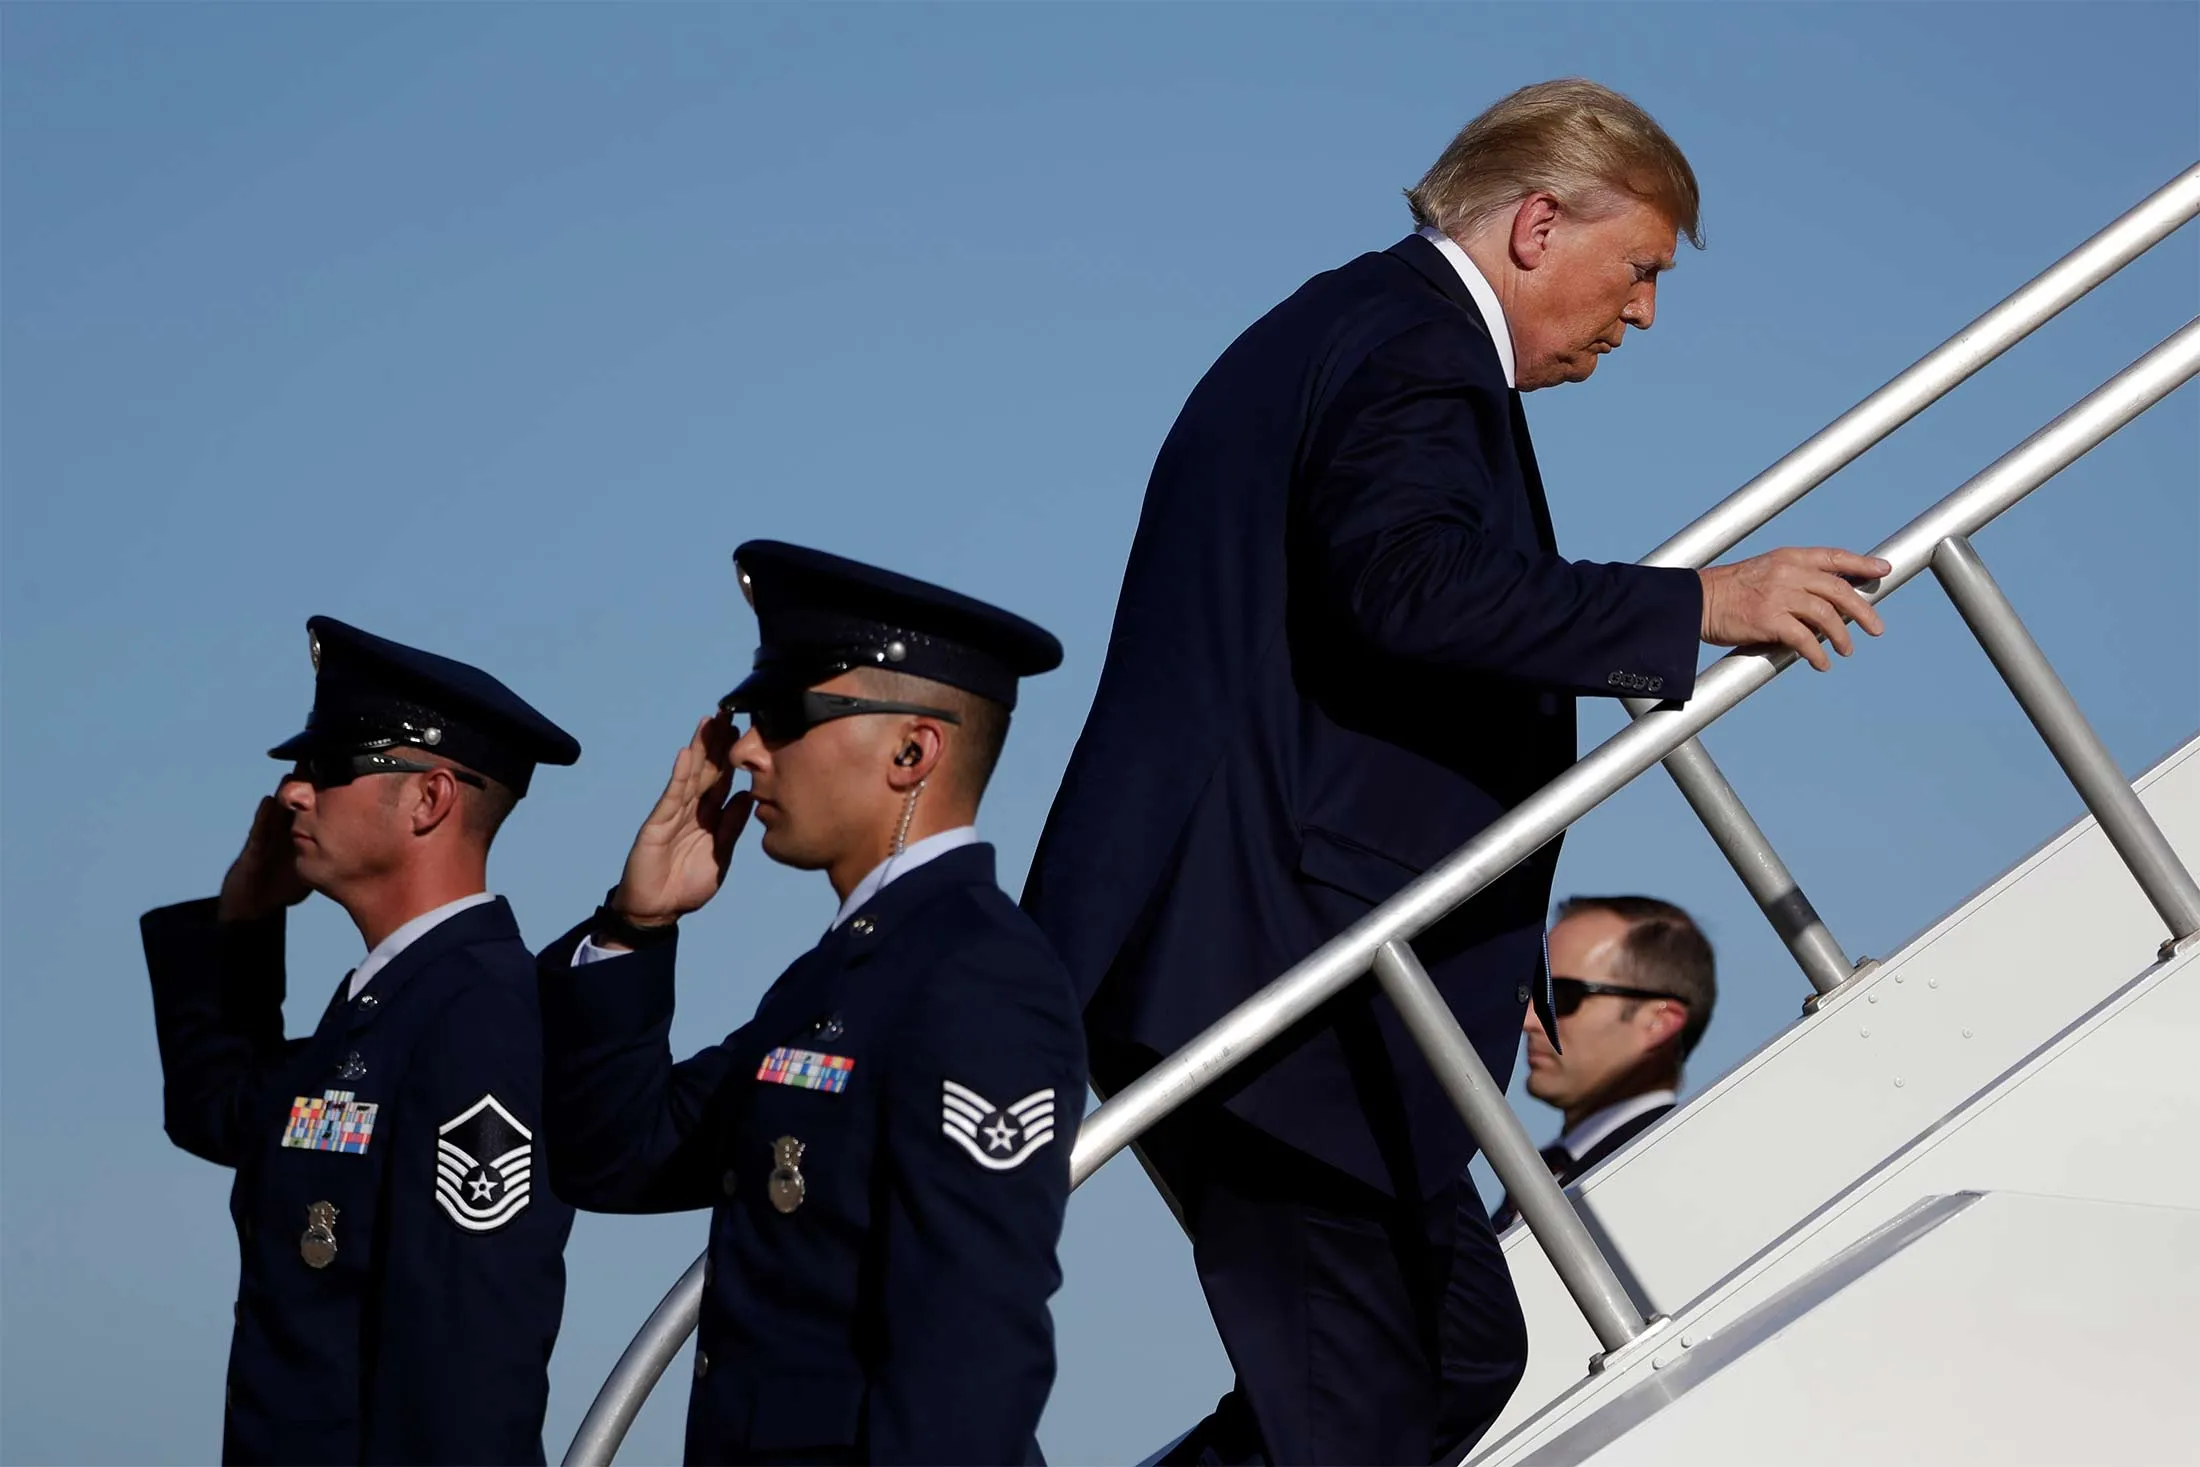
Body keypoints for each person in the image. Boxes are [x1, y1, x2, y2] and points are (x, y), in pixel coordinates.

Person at [1021, 78, 1892, 1466]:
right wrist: (1698, 606)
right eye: (1641, 270)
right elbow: (1411, 585)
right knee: (1365, 1405)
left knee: (1463, 1348)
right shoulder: (1414, 348)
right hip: (1275, 971)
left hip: (1288, 960)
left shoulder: (1358, 325)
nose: (1645, 313)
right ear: (1540, 223)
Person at [537, 541, 1084, 1466]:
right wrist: (635, 927)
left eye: (785, 713)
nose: (746, 748)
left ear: (913, 750)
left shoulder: (979, 979)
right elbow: (616, 1156)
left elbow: (969, 1366)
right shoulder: (838, 978)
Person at [141, 617, 582, 1465]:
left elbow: (466, 1366)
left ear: (431, 798)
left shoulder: (480, 1014)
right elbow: (215, 1111)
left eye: (330, 766)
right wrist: (243, 920)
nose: (292, 794)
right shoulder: (381, 1008)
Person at [1489, 896, 1715, 1231]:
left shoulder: (1674, 1172)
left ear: (1658, 1021)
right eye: (1534, 992)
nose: (1530, 1019)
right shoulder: (1544, 1171)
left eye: (1561, 997)